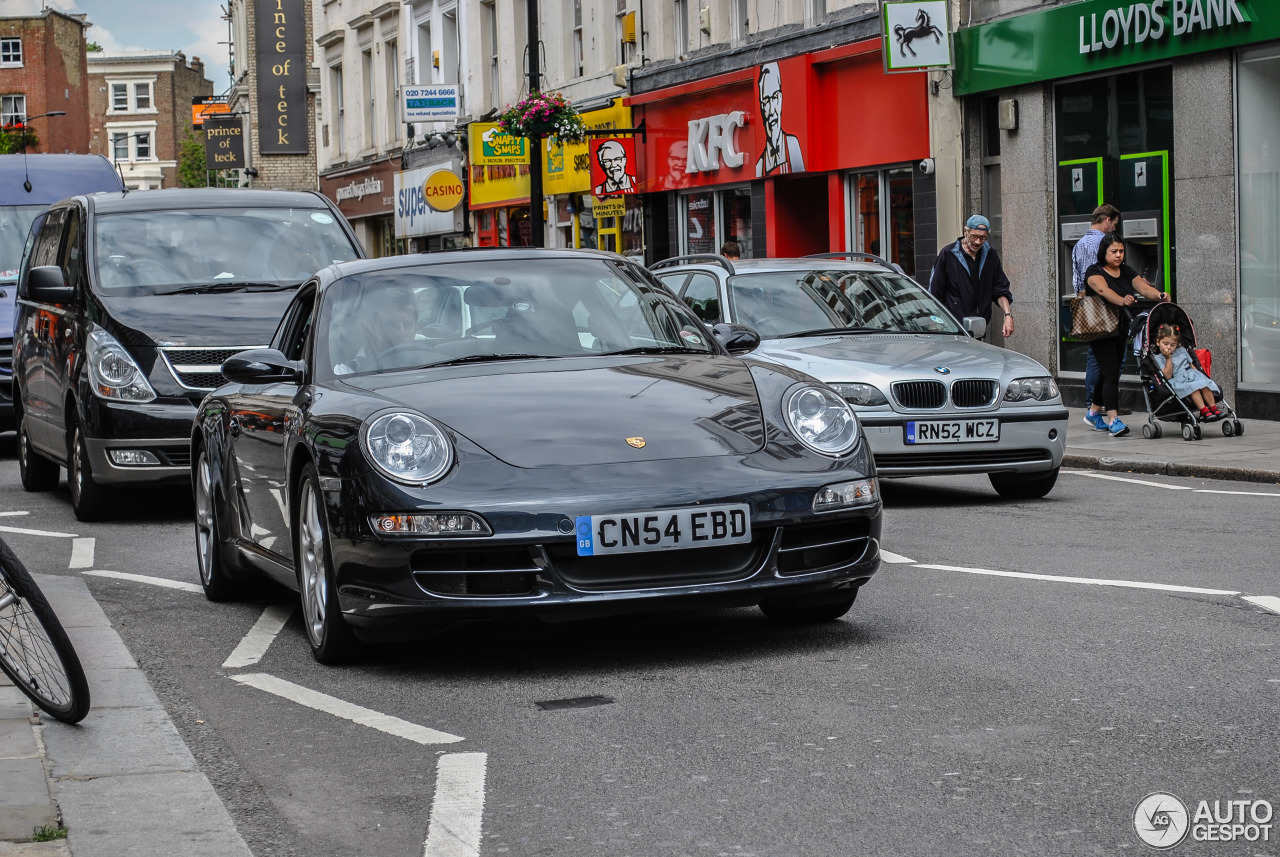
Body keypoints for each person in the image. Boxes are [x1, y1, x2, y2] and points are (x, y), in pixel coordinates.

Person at [1082, 232, 1171, 436]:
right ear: (1103, 252)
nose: (1118, 255)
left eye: (1121, 251)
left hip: (1121, 327)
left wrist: (1160, 295)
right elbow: (1104, 291)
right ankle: (1113, 419)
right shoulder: (1094, 271)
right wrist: (1122, 300)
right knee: (1112, 372)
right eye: (1114, 251)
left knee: (1109, 372)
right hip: (1100, 329)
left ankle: (1094, 412)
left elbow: (1144, 288)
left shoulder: (1126, 270)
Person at [1071, 204, 1121, 421]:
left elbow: (1077, 278)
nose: (1113, 230)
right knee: (1104, 360)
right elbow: (1102, 278)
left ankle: (1095, 404)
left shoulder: (1080, 243)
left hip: (1086, 306)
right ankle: (1095, 405)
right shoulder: (1102, 243)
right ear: (1107, 220)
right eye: (1114, 225)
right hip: (1103, 305)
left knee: (1094, 356)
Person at [928, 214, 1014, 340]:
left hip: (978, 326)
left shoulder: (990, 254)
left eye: (983, 238)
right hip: (952, 327)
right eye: (975, 236)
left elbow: (1000, 288)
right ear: (965, 232)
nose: (978, 242)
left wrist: (1008, 315)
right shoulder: (948, 253)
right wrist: (935, 322)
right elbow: (935, 291)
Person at [332, 286, 418, 374]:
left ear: (415, 328)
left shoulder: (428, 363)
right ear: (372, 326)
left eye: (408, 325)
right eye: (392, 324)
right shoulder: (345, 373)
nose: (401, 332)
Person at [1152, 324, 1223, 420]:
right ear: (1158, 342)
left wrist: (1201, 376)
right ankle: (1204, 411)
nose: (1169, 347)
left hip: (1191, 374)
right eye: (1165, 344)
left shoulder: (1182, 350)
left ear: (1177, 344)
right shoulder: (1159, 358)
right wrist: (1168, 358)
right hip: (1178, 380)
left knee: (1204, 383)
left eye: (1173, 345)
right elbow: (1167, 376)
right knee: (1193, 387)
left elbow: (1191, 365)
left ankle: (1213, 408)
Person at [754, 62, 805, 177]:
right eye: (766, 101)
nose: (772, 110)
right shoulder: (759, 166)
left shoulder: (792, 146)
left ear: (781, 99)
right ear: (761, 107)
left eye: (775, 97)